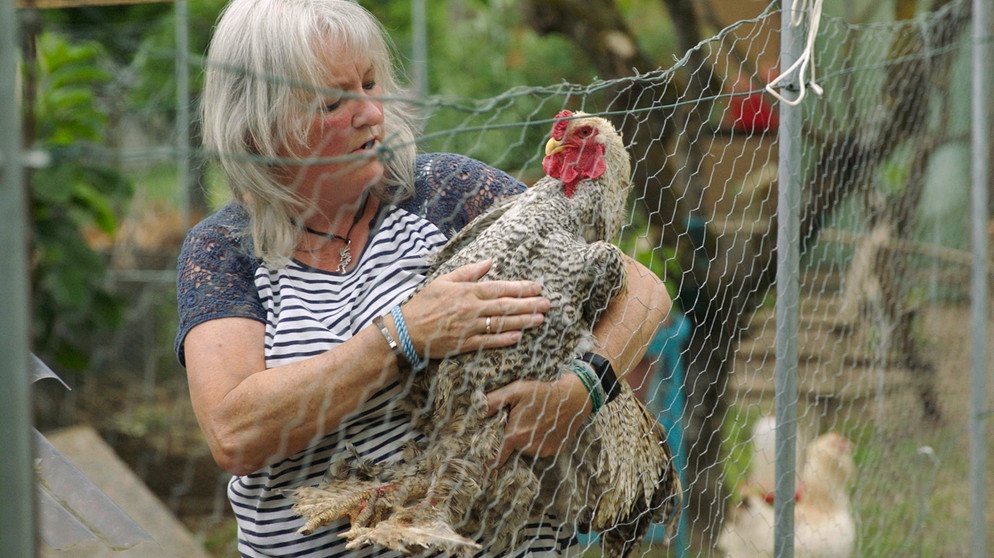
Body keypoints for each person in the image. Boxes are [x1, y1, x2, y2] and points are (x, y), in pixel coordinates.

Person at [174, 0, 671, 556]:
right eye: (335, 101)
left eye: (369, 83)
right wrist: (402, 335)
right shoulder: (225, 249)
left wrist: (581, 389)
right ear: (261, 129)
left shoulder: (444, 193)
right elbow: (234, 433)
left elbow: (643, 292)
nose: (372, 113)